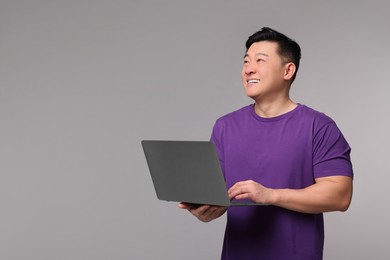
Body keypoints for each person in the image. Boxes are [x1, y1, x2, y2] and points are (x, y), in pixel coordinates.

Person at [179, 27, 353, 259]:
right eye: (246, 61)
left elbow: (340, 195)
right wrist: (207, 209)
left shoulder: (318, 126)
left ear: (288, 70)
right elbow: (220, 194)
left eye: (260, 60)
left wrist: (271, 195)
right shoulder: (225, 126)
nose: (249, 68)